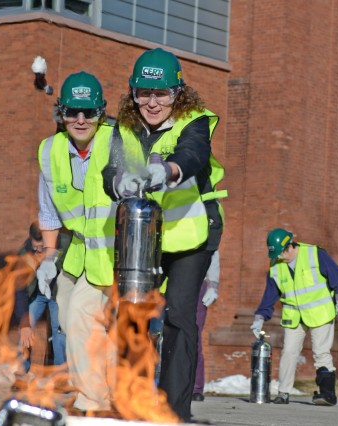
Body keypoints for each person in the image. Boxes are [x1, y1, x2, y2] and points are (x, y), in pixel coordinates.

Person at [102, 47, 226, 421]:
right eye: (144, 94)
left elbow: (194, 154)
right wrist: (118, 181)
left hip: (192, 234)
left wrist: (168, 171)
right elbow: (111, 170)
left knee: (178, 317)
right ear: (133, 93)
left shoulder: (195, 120)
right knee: (133, 315)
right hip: (145, 236)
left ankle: (174, 411)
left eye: (161, 94)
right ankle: (131, 402)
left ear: (178, 93)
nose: (152, 103)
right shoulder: (124, 127)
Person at [36, 71, 117, 412]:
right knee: (69, 320)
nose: (81, 120)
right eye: (73, 112)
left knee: (83, 317)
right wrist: (48, 257)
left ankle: (92, 403)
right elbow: (49, 210)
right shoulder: (50, 150)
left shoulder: (118, 142)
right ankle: (110, 393)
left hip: (115, 252)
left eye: (89, 112)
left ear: (101, 112)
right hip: (78, 254)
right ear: (61, 113)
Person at [250, 228, 338, 406]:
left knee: (321, 352)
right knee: (288, 352)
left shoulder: (314, 254)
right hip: (294, 315)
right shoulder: (275, 265)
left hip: (320, 312)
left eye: (281, 253)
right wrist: (259, 317)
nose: (279, 258)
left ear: (289, 246)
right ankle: (283, 393)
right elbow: (270, 294)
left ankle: (327, 394)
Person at [18, 221, 68, 370]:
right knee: (25, 329)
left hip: (57, 294)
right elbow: (19, 291)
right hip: (37, 295)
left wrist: (51, 260)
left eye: (42, 247)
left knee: (59, 330)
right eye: (35, 248)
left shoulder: (65, 245)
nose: (38, 251)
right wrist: (25, 323)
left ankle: (61, 375)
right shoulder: (25, 254)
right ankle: (21, 371)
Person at [192, 250, 220, 402]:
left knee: (194, 337)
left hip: (199, 284)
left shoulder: (206, 227)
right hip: (169, 281)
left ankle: (196, 387)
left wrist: (213, 286)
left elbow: (213, 254)